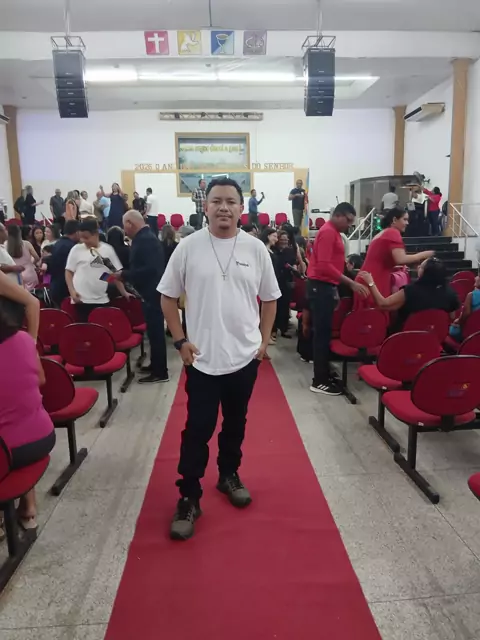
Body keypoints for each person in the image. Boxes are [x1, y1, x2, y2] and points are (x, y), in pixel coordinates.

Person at [158, 177, 280, 541]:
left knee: (236, 422)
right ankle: (189, 496)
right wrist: (180, 340)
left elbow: (270, 299)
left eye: (230, 201)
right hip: (202, 359)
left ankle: (228, 474)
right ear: (205, 206)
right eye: (216, 201)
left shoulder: (256, 249)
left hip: (244, 357)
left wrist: (263, 341)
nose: (223, 207)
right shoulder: (188, 248)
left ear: (241, 208)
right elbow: (167, 297)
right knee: (198, 428)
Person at [0, 271, 55, 530]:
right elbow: (40, 379)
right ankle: (29, 507)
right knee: (19, 413)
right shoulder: (23, 339)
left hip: (6, 452)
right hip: (43, 437)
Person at [307, 202, 369, 396]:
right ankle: (319, 380)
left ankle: (324, 374)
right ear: (338, 215)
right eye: (348, 221)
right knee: (322, 335)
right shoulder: (327, 232)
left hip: (325, 286)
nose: (349, 225)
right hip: (320, 286)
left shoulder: (333, 233)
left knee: (324, 333)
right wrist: (351, 283)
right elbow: (324, 266)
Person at [121, 210, 169, 384]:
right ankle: (156, 364)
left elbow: (151, 269)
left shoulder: (146, 240)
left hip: (152, 292)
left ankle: (160, 372)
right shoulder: (144, 237)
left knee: (156, 333)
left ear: (130, 223)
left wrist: (124, 274)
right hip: (148, 292)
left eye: (124, 226)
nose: (124, 230)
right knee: (153, 332)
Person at [354, 208, 434, 310]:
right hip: (373, 280)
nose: (407, 223)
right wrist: (424, 254)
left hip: (368, 278)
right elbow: (400, 259)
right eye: (404, 219)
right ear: (394, 220)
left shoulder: (384, 232)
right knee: (374, 316)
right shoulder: (392, 232)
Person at [359, 257, 460, 332]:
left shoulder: (410, 291)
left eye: (421, 266)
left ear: (426, 273)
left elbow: (382, 304)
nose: (418, 267)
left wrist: (370, 283)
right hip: (434, 339)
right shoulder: (450, 293)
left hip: (406, 338)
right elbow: (451, 317)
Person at [65, 218, 130, 322]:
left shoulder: (107, 250)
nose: (83, 241)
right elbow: (69, 272)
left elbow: (114, 274)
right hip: (81, 300)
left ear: (95, 234)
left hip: (101, 299)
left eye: (86, 237)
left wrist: (124, 292)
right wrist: (72, 291)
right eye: (81, 237)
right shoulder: (76, 249)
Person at [274, 229, 305, 339]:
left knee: (284, 306)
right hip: (275, 281)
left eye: (286, 239)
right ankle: (273, 330)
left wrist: (295, 268)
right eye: (282, 239)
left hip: (286, 281)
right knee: (275, 306)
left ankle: (283, 329)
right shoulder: (274, 251)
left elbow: (295, 263)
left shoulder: (290, 251)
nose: (284, 241)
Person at [49, 219, 79, 306]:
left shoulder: (56, 244)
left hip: (55, 287)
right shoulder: (73, 247)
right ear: (76, 232)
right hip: (67, 289)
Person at [7, 224, 40, 291]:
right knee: (34, 294)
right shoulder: (26, 244)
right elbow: (37, 258)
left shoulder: (5, 245)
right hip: (29, 273)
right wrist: (32, 263)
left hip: (15, 275)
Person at [450, 275, 480, 341]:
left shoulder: (471, 295)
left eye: (478, 276)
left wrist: (458, 321)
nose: (475, 277)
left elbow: (466, 314)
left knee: (452, 330)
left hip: (471, 333)